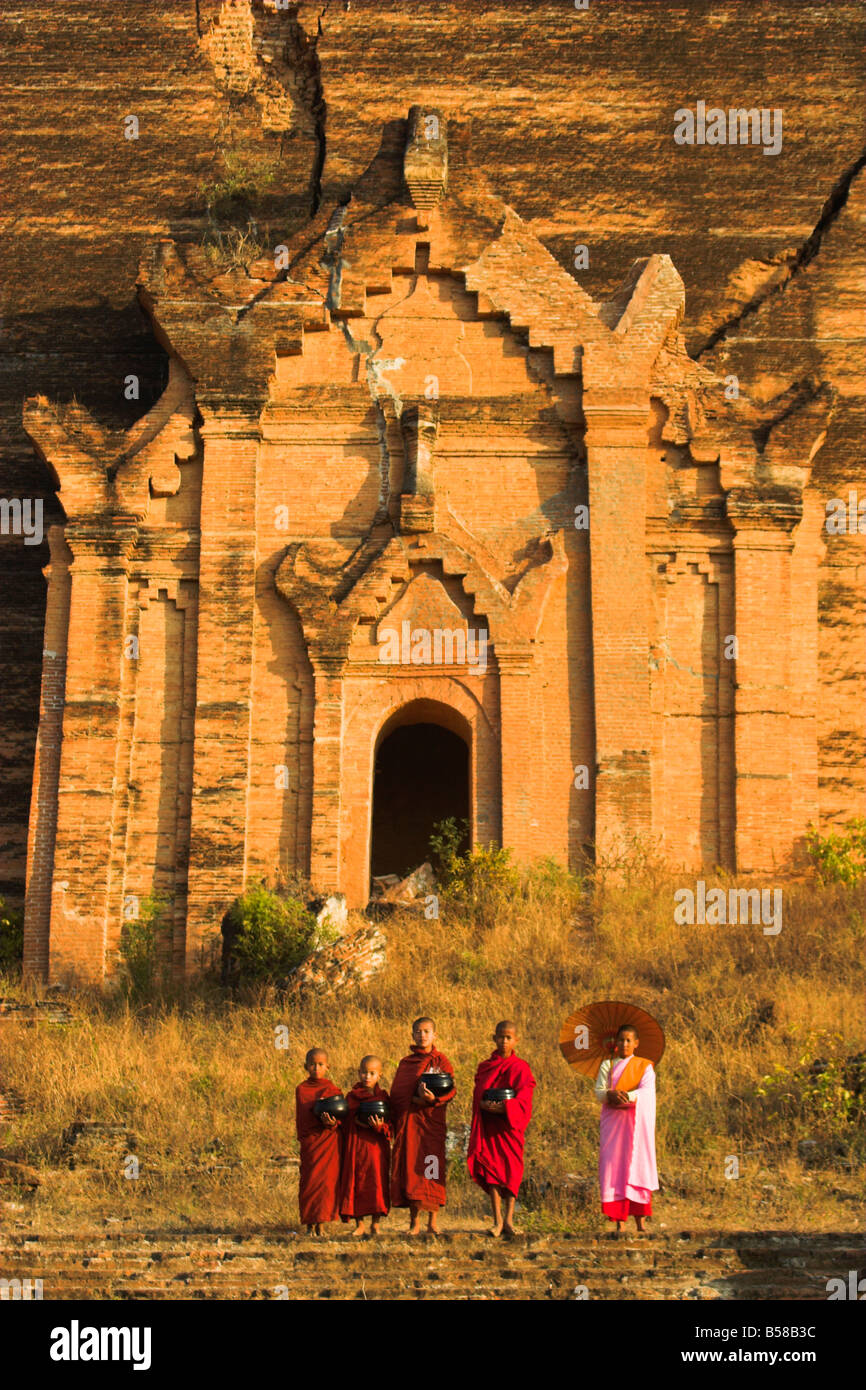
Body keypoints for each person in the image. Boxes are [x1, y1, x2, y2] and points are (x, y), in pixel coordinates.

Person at [467, 1020, 535, 1238]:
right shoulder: (485, 1067)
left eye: (508, 1037)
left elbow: (524, 1098)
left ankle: (509, 1220)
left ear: (516, 1040)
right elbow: (479, 1094)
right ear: (494, 1038)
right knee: (492, 1172)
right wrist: (484, 1105)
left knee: (512, 1172)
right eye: (500, 1037)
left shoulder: (520, 1067)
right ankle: (496, 1220)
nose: (504, 1041)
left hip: (509, 1127)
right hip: (490, 1126)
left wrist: (505, 1107)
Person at [390, 1016, 456, 1236]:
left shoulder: (441, 1061)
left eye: (427, 1031)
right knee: (412, 1169)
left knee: (432, 1168)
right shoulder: (406, 1063)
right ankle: (414, 1222)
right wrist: (412, 1102)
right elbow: (398, 1094)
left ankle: (433, 1221)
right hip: (411, 1125)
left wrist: (431, 1101)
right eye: (418, 1031)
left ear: (434, 1035)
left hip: (431, 1123)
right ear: (412, 1035)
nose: (422, 1035)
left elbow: (450, 1090)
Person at [594, 1023, 658, 1235]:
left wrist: (625, 1096)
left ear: (636, 1043)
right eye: (621, 1040)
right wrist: (609, 1095)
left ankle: (640, 1220)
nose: (624, 1044)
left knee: (636, 1164)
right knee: (614, 1166)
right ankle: (619, 1220)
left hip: (635, 1122)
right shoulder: (607, 1066)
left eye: (629, 1040)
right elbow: (599, 1092)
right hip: (613, 1121)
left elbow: (647, 1092)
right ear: (615, 1043)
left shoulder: (644, 1066)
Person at [339, 1054, 392, 1238]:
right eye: (364, 1073)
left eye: (372, 1073)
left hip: (377, 1147)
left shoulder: (384, 1097)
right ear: (358, 1073)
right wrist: (358, 1123)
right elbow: (345, 1122)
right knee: (357, 1183)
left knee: (377, 1182)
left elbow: (391, 1124)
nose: (367, 1077)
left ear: (380, 1075)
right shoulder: (352, 1097)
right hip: (357, 1145)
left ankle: (375, 1224)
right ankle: (359, 1224)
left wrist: (379, 1127)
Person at [294, 1047, 344, 1236]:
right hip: (310, 1142)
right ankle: (309, 1224)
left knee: (325, 1184)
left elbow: (341, 1114)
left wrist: (332, 1123)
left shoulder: (331, 1089)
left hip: (328, 1140)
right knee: (309, 1183)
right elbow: (303, 1118)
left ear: (327, 1067)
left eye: (320, 1064)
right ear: (305, 1066)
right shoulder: (302, 1089)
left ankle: (321, 1225)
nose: (316, 1068)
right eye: (312, 1064)